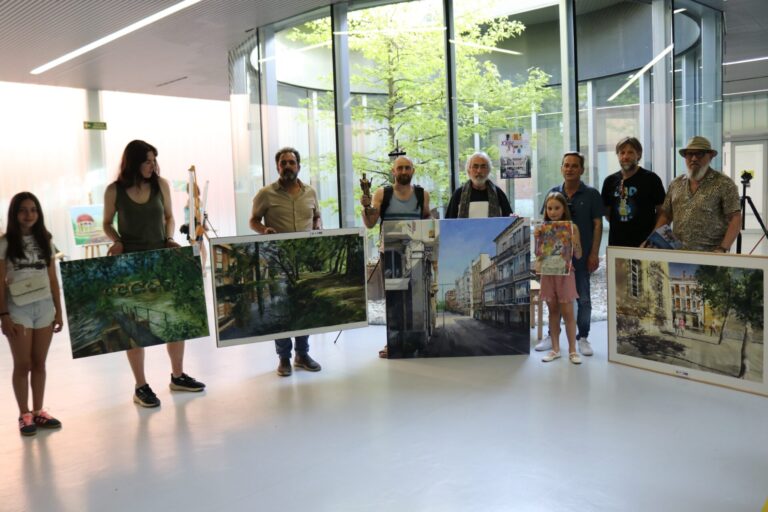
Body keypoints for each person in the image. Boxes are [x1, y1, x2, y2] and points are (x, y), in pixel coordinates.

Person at [104, 140, 206, 408]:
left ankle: (178, 375)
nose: (153, 165)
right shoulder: (115, 190)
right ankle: (140, 386)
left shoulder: (161, 185)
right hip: (131, 264)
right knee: (133, 326)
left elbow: (170, 217)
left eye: (154, 160)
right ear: (134, 162)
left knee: (174, 319)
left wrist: (169, 237)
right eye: (148, 160)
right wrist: (116, 240)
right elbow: (105, 223)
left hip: (162, 259)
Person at [250, 147, 322, 377]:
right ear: (277, 167)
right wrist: (263, 229)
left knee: (304, 303)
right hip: (277, 260)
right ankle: (284, 358)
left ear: (299, 166)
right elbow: (253, 220)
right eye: (284, 163)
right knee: (280, 306)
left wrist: (318, 226)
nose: (288, 166)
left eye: (292, 162)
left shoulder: (310, 192)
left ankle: (302, 354)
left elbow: (317, 216)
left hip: (304, 260)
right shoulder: (266, 193)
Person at [0, 192, 64, 435]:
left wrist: (58, 311)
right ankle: (24, 414)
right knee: (23, 364)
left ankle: (38, 412)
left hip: (45, 307)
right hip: (18, 308)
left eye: (33, 210)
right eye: (23, 210)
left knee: (39, 363)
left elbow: (52, 279)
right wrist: (4, 314)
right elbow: (0, 282)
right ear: (15, 214)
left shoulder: (45, 241)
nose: (29, 215)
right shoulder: (4, 243)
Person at [360, 155, 432, 358]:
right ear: (393, 171)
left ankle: (416, 341)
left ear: (413, 170)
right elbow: (370, 223)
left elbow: (427, 218)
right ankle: (393, 342)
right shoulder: (383, 193)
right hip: (391, 255)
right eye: (399, 168)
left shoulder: (421, 194)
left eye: (407, 168)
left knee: (415, 299)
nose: (403, 172)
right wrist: (366, 207)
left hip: (416, 255)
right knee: (394, 299)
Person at [535, 152, 602, 356]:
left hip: (579, 259)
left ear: (582, 169)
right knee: (553, 301)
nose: (570, 169)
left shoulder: (591, 194)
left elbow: (598, 224)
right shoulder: (552, 192)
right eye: (566, 165)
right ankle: (551, 335)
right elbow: (543, 227)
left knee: (583, 298)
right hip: (553, 264)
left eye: (574, 166)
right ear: (561, 168)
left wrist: (593, 254)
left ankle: (582, 338)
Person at [655, 136, 741, 252]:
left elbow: (735, 218)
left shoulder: (724, 184)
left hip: (710, 256)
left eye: (699, 154)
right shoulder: (676, 184)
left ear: (710, 156)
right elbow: (666, 216)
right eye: (689, 154)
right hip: (677, 254)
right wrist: (654, 240)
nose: (694, 158)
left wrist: (722, 248)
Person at [537, 192, 583, 364]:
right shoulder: (542, 228)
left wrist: (574, 240)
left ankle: (572, 350)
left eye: (557, 208)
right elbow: (539, 255)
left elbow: (578, 255)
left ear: (564, 209)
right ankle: (555, 349)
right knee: (553, 312)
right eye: (550, 208)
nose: (553, 212)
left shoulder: (572, 228)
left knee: (568, 313)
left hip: (565, 274)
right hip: (548, 275)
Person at [601, 137, 665, 247]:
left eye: (630, 152)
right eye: (622, 153)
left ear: (638, 155)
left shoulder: (651, 179)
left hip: (645, 245)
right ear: (618, 155)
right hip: (617, 245)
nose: (625, 157)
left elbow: (662, 213)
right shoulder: (609, 181)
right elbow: (607, 214)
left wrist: (652, 239)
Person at [445, 152, 513, 218]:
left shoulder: (498, 194)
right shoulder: (458, 195)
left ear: (488, 170)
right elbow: (448, 224)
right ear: (469, 170)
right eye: (475, 166)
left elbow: (509, 222)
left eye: (483, 167)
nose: (479, 171)